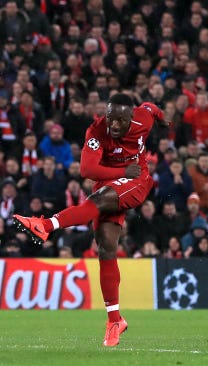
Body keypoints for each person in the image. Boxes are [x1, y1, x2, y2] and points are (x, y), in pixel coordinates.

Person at [12, 94, 167, 347]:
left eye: (121, 120)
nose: (114, 125)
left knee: (100, 199)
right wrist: (121, 172)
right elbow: (86, 170)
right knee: (106, 247)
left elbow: (151, 108)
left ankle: (46, 225)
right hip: (112, 179)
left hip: (137, 180)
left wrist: (164, 118)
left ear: (131, 118)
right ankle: (114, 320)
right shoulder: (96, 132)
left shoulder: (143, 119)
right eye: (111, 119)